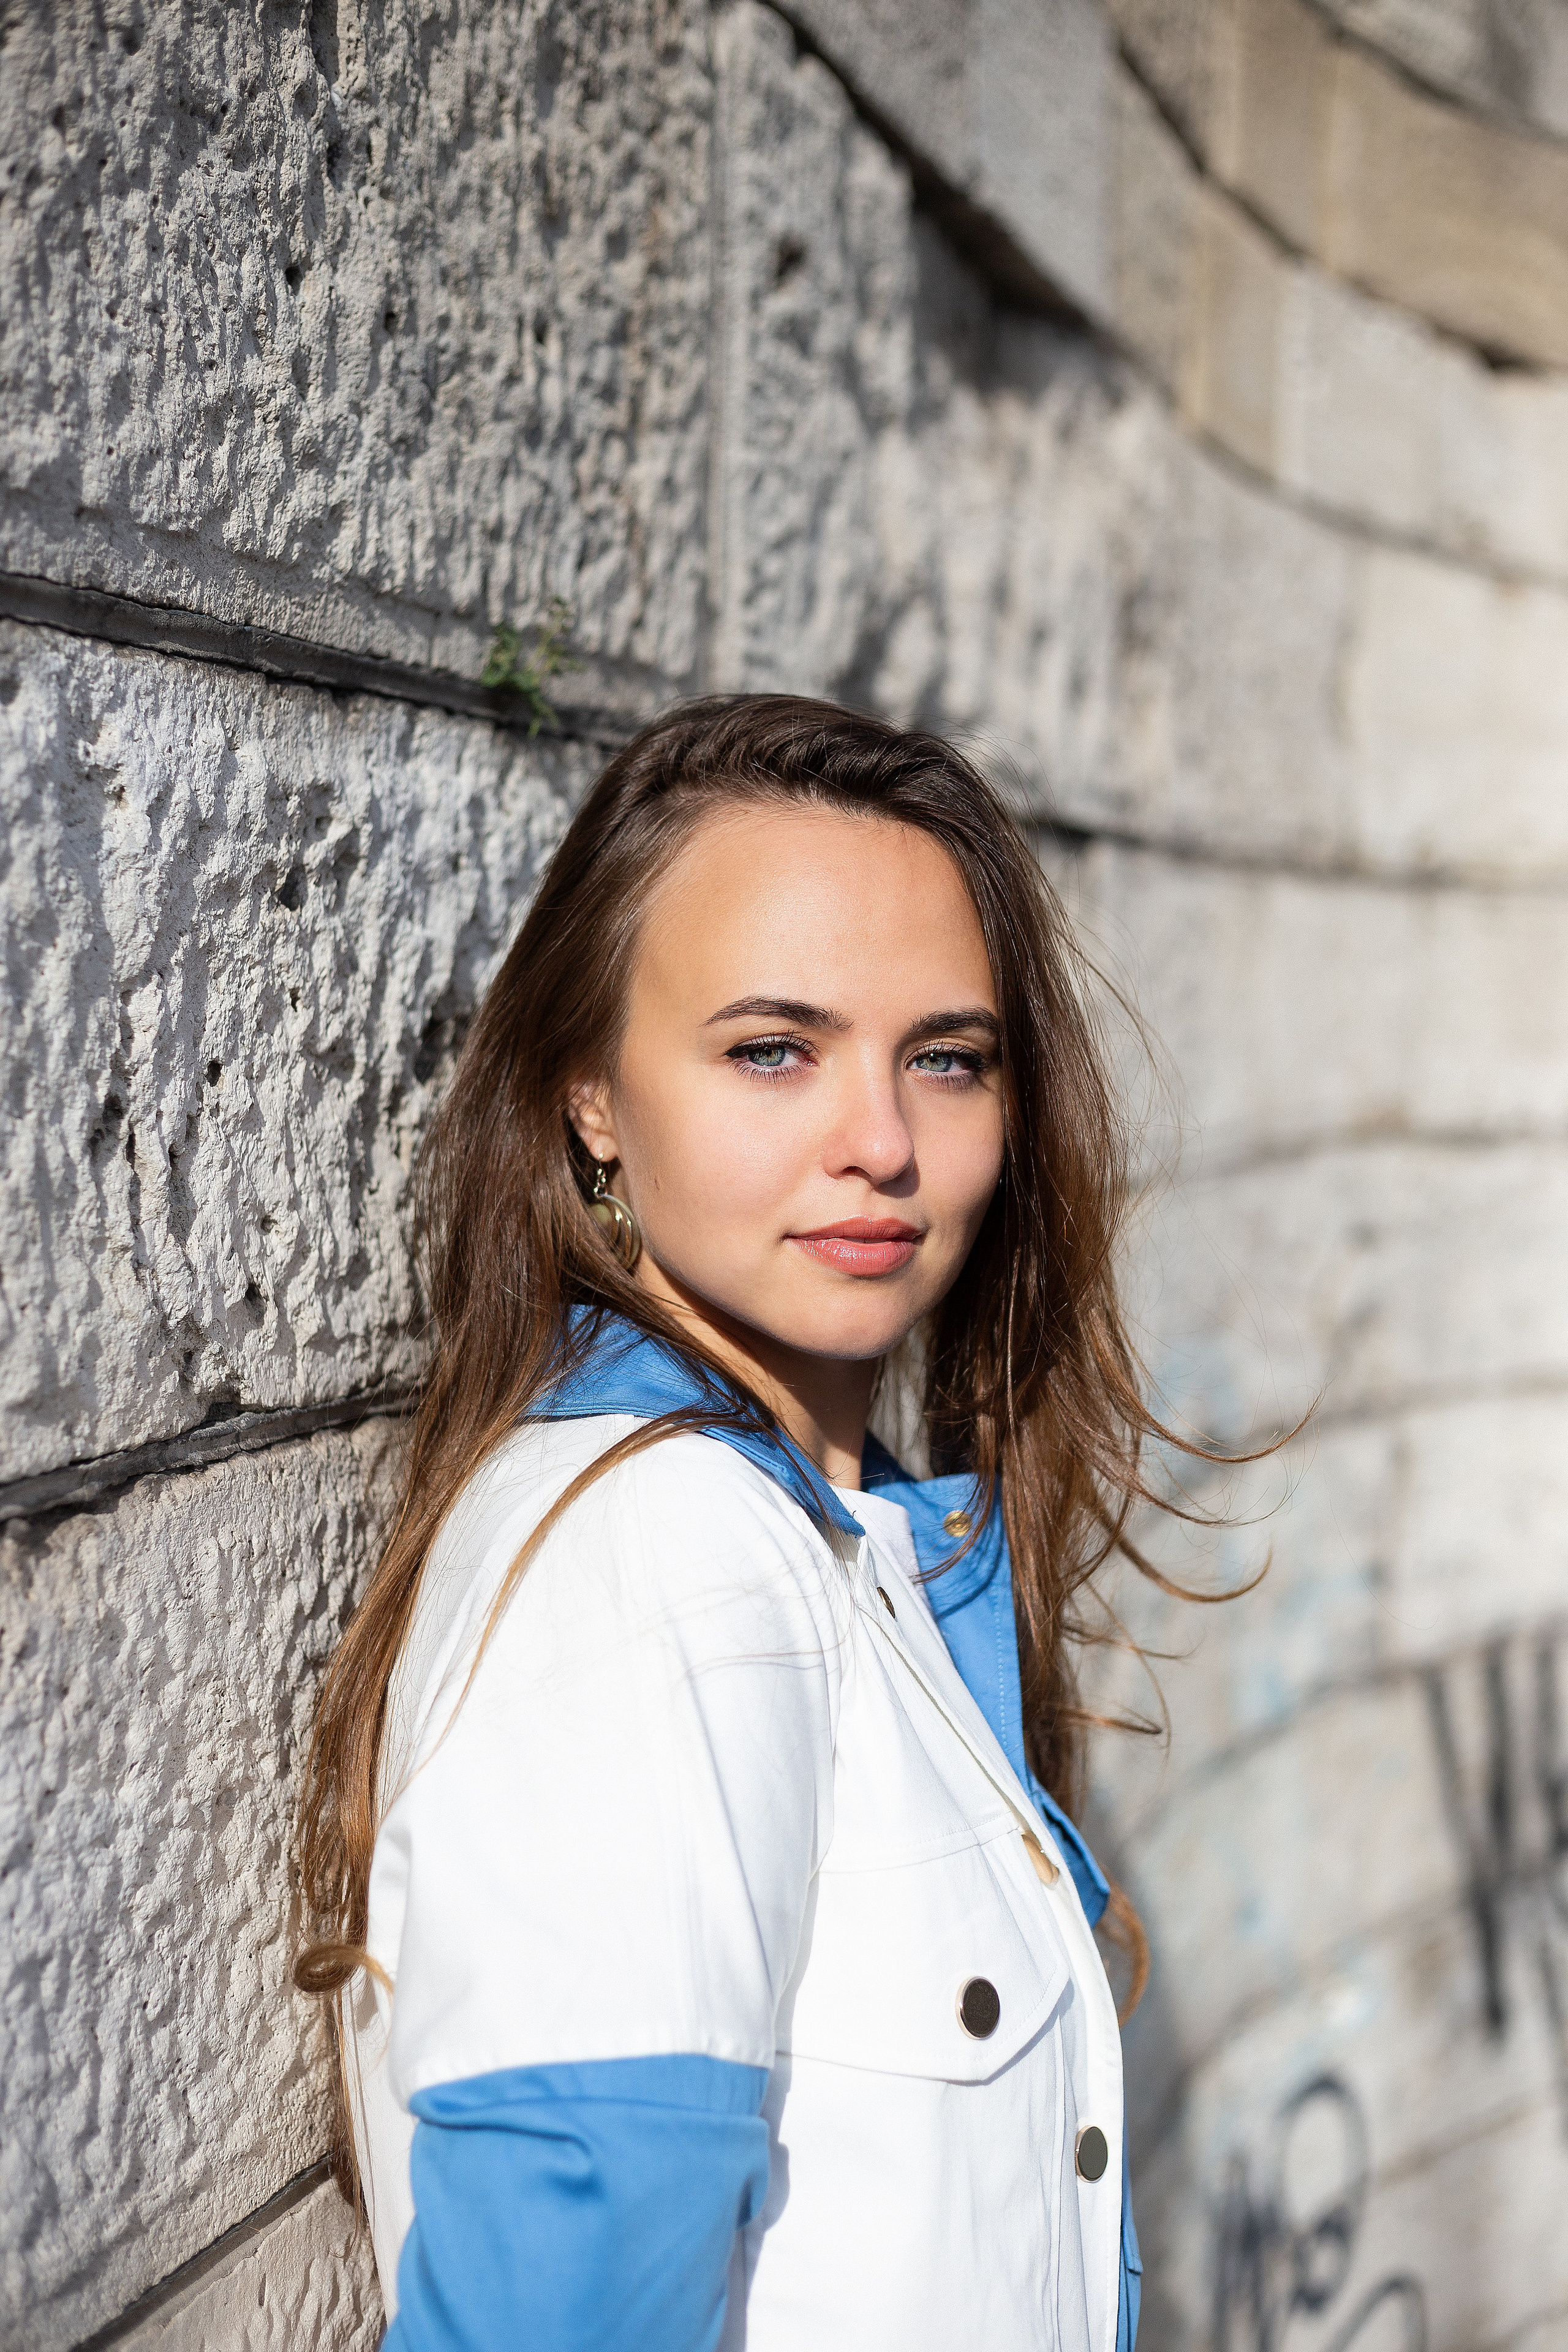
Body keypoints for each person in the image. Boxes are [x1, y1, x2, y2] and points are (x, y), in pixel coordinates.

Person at [295, 695, 1212, 2351]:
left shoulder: (825, 1533)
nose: (882, 1143)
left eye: (948, 1058)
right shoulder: (661, 1567)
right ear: (591, 1100)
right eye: (772, 1049)